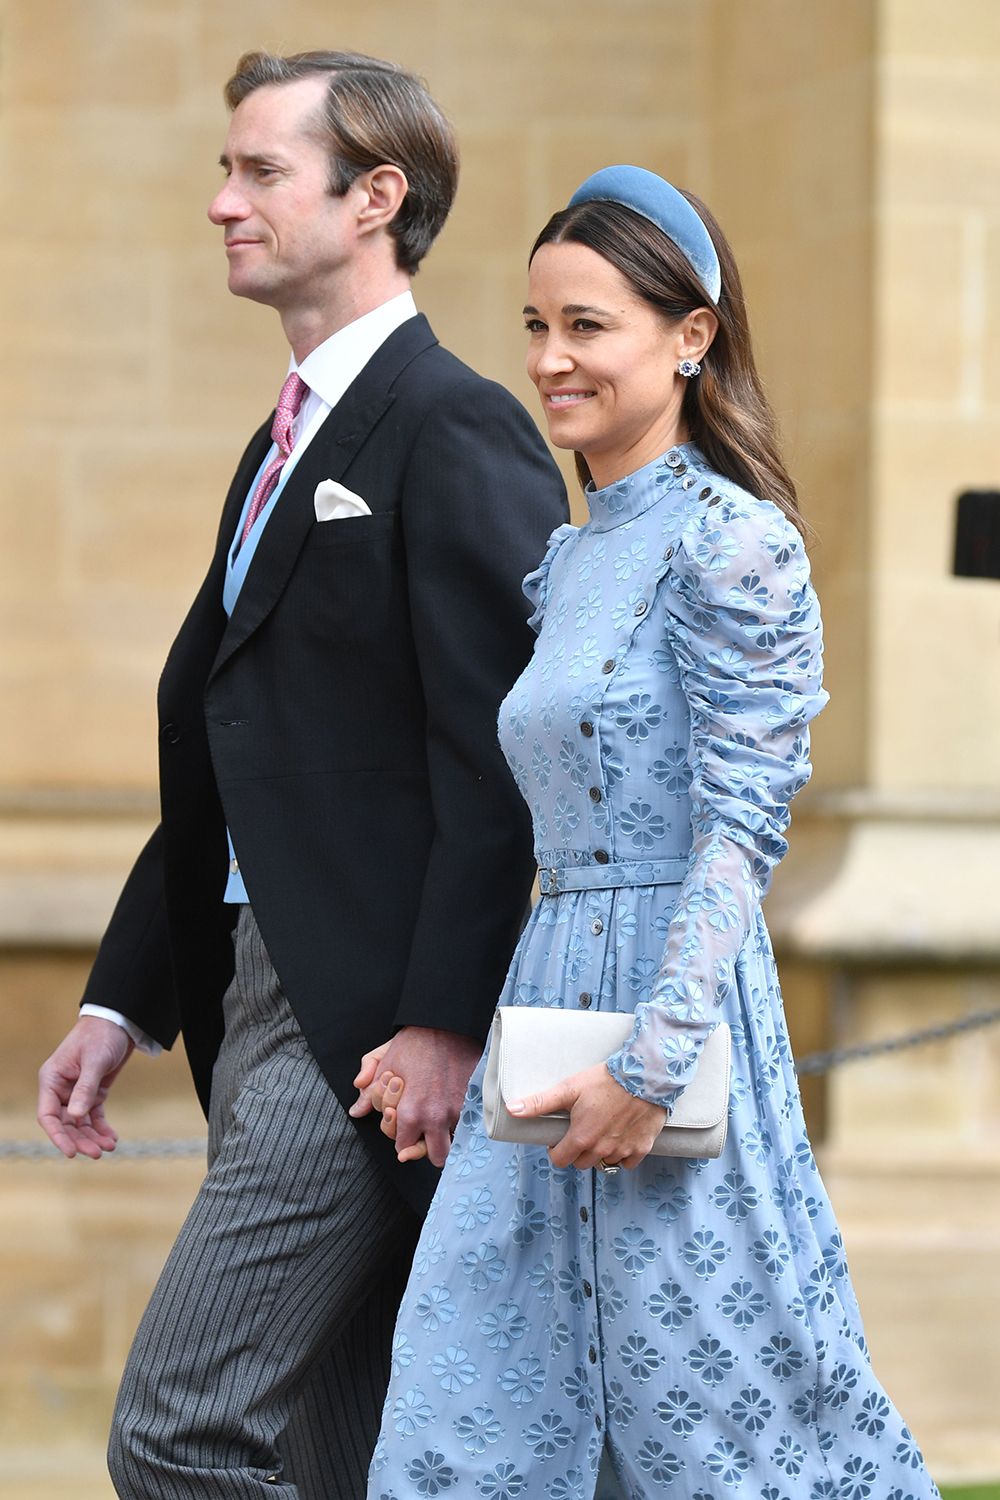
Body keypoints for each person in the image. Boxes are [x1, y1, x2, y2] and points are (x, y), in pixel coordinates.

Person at [35, 49, 567, 1500]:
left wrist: (444, 1022)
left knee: (181, 1431)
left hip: (364, 1029)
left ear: (375, 197)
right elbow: (234, 753)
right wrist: (121, 993)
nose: (221, 202)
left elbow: (500, 757)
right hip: (251, 990)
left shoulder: (454, 423)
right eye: (228, 168)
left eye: (260, 171)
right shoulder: (277, 447)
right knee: (344, 1455)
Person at [366, 168, 940, 1500]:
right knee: (479, 1404)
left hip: (669, 1015)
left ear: (691, 339)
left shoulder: (736, 542)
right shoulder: (570, 560)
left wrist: (657, 1055)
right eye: (536, 324)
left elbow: (744, 823)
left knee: (722, 1420)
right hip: (548, 997)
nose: (550, 359)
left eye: (589, 326)